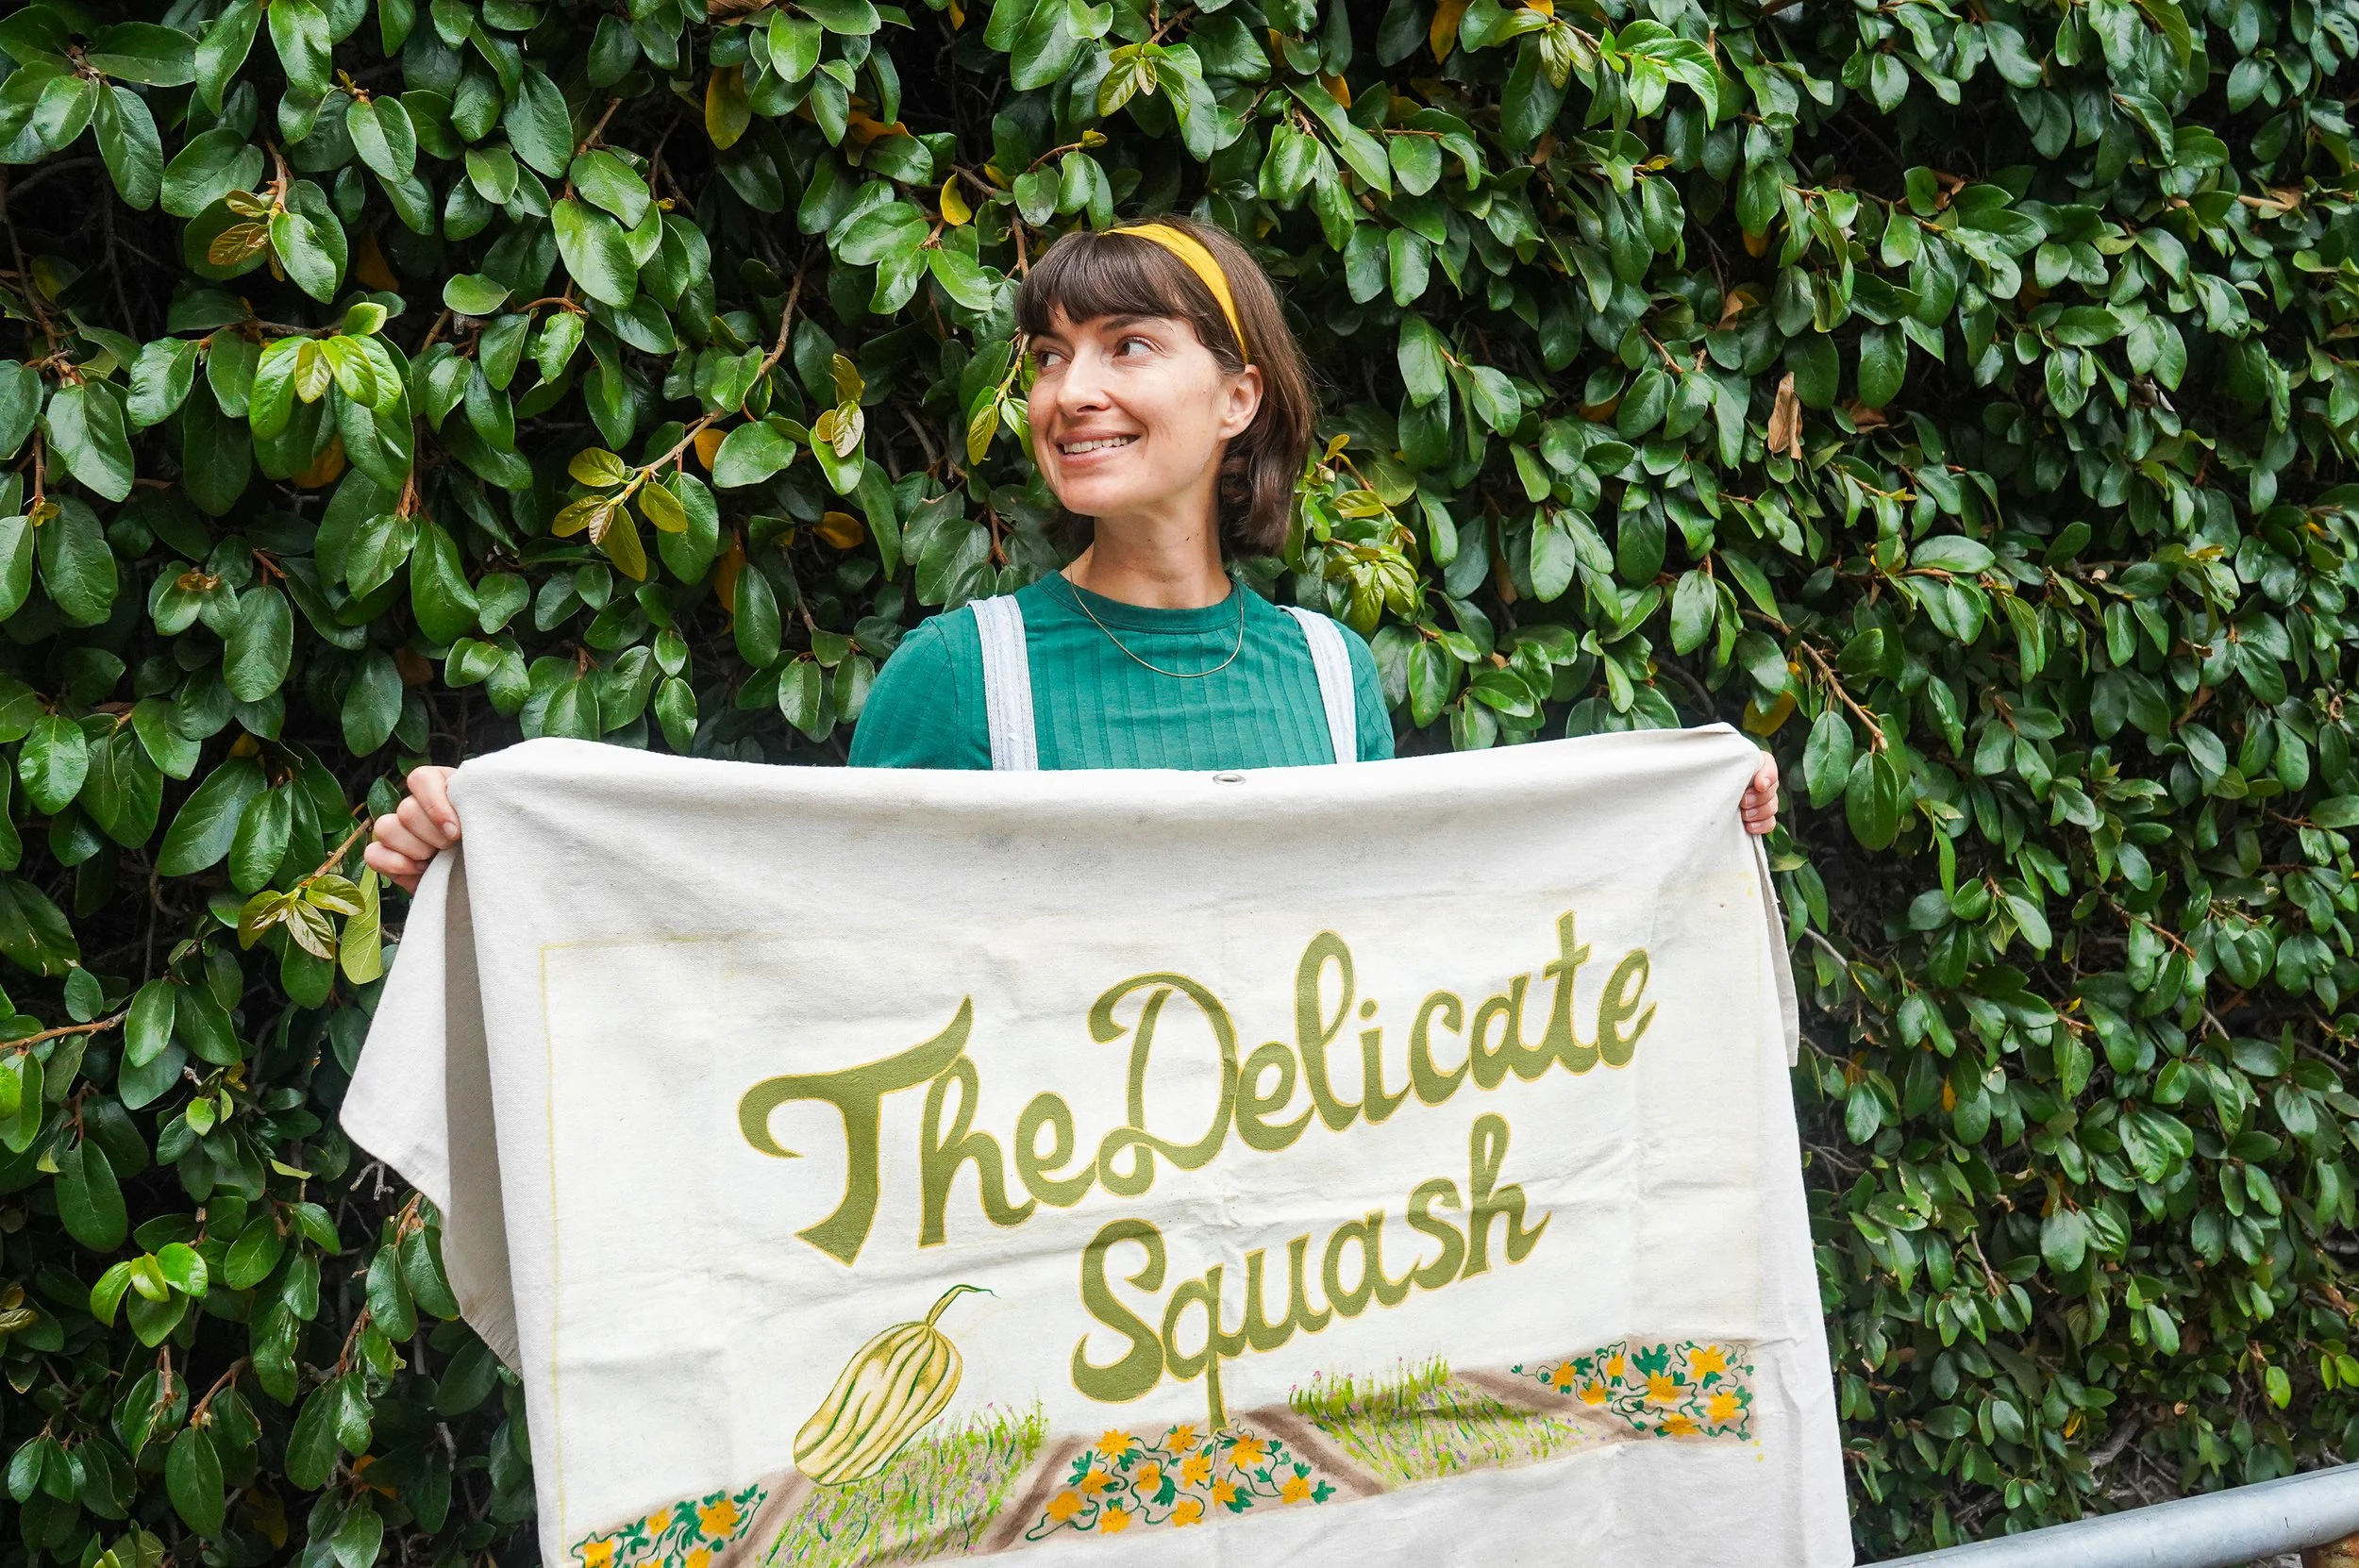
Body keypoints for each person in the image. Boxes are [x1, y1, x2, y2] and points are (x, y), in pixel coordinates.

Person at [365, 217, 1779, 890]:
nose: (1070, 390)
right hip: (1053, 1287)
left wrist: (1685, 824)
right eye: (1048, 356)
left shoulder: (1331, 674)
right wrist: (507, 860)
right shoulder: (958, 677)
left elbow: (1414, 945)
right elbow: (808, 949)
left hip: (1296, 1282)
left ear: (1239, 398)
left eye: (1127, 345)